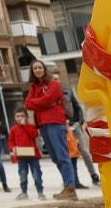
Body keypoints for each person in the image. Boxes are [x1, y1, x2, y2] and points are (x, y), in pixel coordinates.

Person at [25, 59, 78, 200]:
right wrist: (44, 103)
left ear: (44, 69)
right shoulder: (33, 87)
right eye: (35, 68)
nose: (37, 70)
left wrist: (40, 103)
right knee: (55, 157)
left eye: (39, 67)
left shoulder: (54, 84)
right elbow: (28, 104)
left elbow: (46, 99)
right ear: (32, 71)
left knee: (62, 156)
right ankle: (68, 185)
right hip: (43, 124)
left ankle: (70, 187)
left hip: (55, 122)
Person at [65, 82, 100, 185]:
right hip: (63, 127)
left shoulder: (68, 92)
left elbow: (78, 107)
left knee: (84, 151)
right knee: (70, 154)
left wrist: (79, 122)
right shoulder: (50, 95)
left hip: (74, 126)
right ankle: (72, 179)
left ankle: (93, 175)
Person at [8, 109, 46, 201]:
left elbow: (34, 135)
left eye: (22, 116)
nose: (20, 118)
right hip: (21, 156)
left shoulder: (31, 127)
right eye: (18, 116)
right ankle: (24, 192)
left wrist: (25, 126)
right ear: (15, 118)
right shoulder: (13, 129)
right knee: (22, 174)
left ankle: (40, 192)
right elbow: (11, 141)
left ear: (27, 117)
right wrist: (13, 148)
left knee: (37, 174)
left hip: (33, 156)